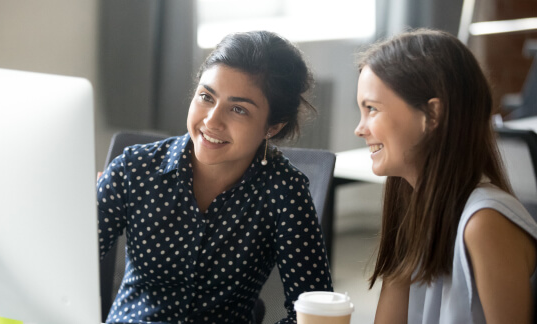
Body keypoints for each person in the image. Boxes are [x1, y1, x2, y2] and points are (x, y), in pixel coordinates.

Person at [97, 30, 332, 324]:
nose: (211, 121)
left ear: (272, 127)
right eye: (206, 97)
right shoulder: (135, 169)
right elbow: (64, 264)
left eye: (238, 109)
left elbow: (316, 311)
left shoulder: (285, 191)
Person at [354, 28, 537, 323]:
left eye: (372, 109)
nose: (359, 128)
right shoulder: (413, 208)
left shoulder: (484, 223)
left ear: (432, 115)